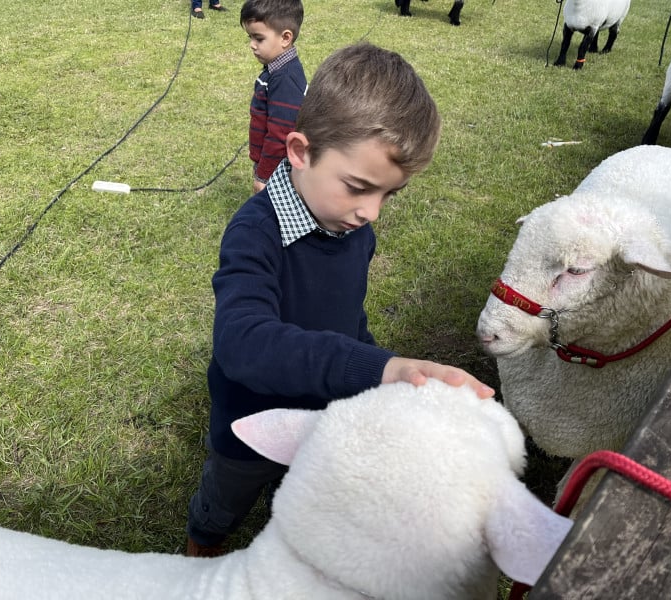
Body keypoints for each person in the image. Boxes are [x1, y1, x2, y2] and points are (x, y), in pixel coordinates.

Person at [185, 42, 495, 557]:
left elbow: (349, 317)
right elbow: (242, 342)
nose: (371, 211)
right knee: (228, 494)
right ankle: (203, 540)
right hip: (251, 423)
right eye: (358, 187)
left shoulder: (351, 228)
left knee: (303, 492)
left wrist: (374, 370)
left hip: (324, 418)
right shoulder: (256, 232)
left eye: (387, 194)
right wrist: (383, 369)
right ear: (301, 151)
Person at [240, 0, 307, 193]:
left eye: (258, 39)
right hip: (271, 163)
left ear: (285, 38)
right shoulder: (276, 71)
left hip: (279, 169)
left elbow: (281, 135)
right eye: (250, 37)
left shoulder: (284, 80)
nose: (252, 45)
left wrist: (264, 176)